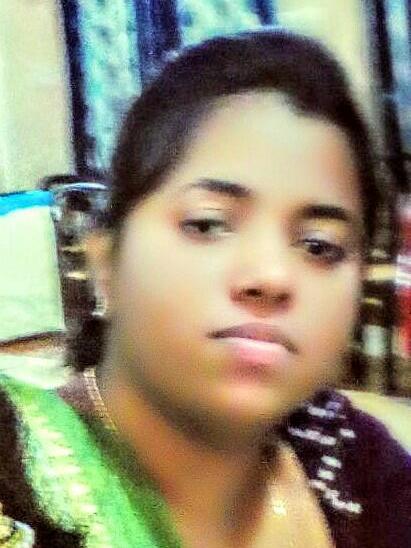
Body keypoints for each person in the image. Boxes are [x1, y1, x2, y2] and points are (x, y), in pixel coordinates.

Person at [0, 30, 409, 547]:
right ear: (107, 262)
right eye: (208, 224)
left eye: (318, 246)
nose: (271, 277)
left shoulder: (351, 460)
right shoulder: (16, 473)